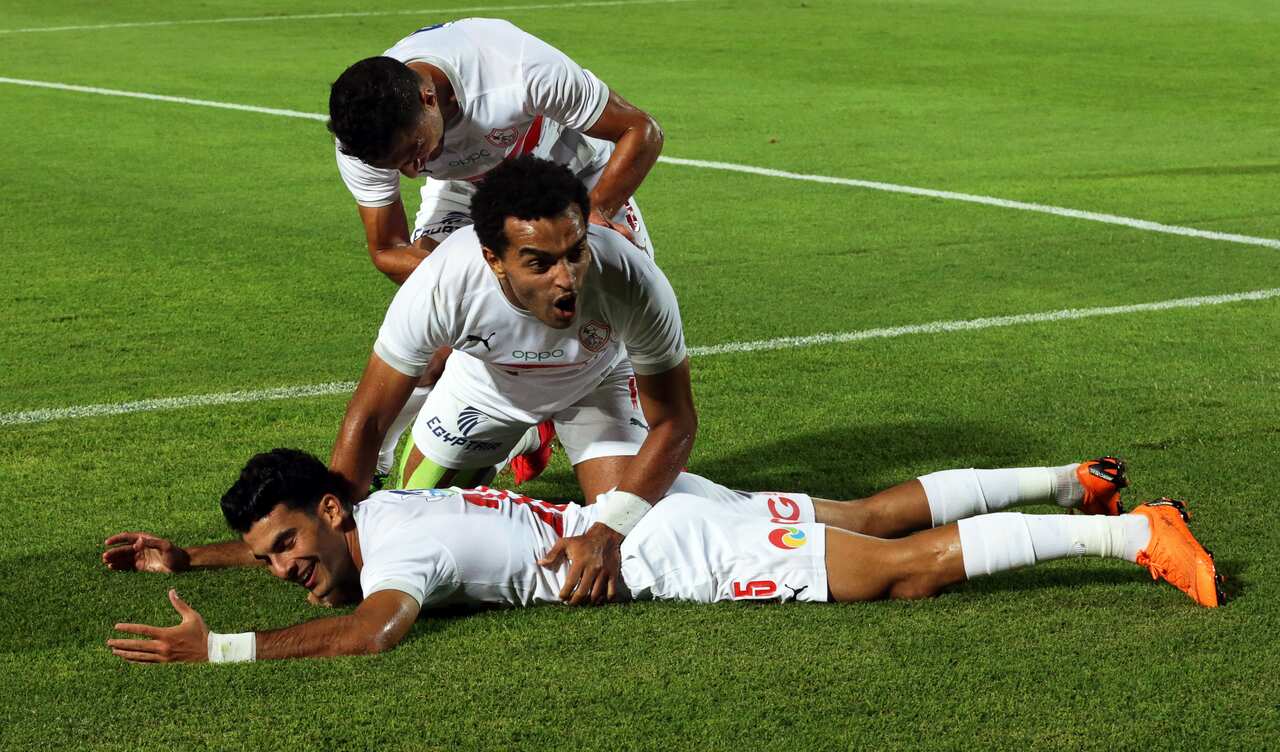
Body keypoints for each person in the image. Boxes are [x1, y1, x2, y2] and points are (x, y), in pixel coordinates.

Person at [102, 450, 1224, 664]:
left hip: (666, 546)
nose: (281, 564)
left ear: (337, 512)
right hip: (655, 499)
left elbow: (371, 623)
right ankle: (1067, 478)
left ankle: (1133, 531)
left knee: (902, 566)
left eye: (287, 543)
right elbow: (323, 563)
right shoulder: (380, 507)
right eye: (267, 557)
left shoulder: (406, 544)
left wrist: (228, 650)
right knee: (868, 513)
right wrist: (196, 561)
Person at [326, 155, 696, 601]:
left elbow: (675, 421)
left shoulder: (631, 278)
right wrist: (340, 539)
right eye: (540, 264)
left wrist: (608, 531)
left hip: (597, 385)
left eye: (576, 253)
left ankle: (549, 431)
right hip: (489, 389)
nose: (568, 279)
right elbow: (367, 419)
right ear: (494, 260)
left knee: (642, 531)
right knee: (414, 511)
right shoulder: (443, 281)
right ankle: (527, 435)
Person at [328, 17, 665, 481]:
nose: (411, 171)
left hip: (573, 178)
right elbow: (388, 248)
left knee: (603, 310)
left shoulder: (512, 68)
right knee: (435, 334)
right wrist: (472, 290)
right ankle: (385, 461)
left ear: (429, 97)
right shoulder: (363, 139)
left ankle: (556, 413)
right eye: (398, 165)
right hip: (468, 192)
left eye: (415, 152)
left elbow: (641, 131)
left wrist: (595, 218)